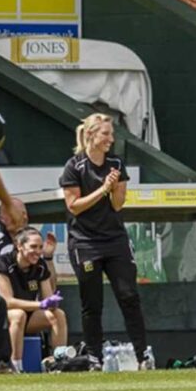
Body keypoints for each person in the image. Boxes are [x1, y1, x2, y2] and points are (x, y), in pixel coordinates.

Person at [59, 114, 148, 367]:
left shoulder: (116, 163)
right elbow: (74, 206)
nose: (111, 139)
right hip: (85, 242)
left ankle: (143, 355)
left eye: (112, 134)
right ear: (91, 135)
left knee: (128, 295)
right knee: (92, 303)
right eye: (106, 134)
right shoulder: (73, 166)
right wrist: (103, 189)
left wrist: (116, 187)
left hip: (114, 239)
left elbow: (118, 205)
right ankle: (94, 357)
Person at [0, 227, 67, 373]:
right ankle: (15, 366)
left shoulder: (39, 265)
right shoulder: (3, 263)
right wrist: (41, 304)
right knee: (18, 314)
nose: (37, 251)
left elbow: (47, 298)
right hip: (0, 318)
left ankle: (57, 363)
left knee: (58, 314)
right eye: (33, 247)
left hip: (28, 316)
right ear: (19, 246)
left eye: (40, 247)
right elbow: (7, 301)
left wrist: (52, 301)